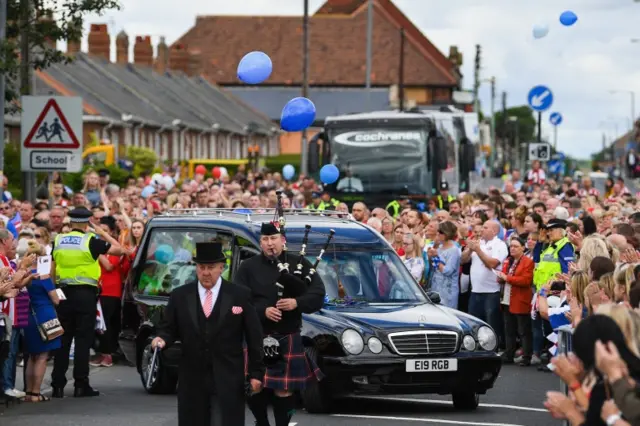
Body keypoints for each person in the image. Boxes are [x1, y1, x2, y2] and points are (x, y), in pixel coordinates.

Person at [152, 242, 264, 426]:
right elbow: (168, 328)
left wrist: (256, 373)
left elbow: (254, 337)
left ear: (222, 267)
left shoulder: (239, 295)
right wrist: (161, 338)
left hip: (228, 378)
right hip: (192, 378)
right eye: (201, 267)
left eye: (211, 267)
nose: (206, 272)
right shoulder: (180, 296)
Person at [235, 222, 326, 426]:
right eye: (265, 240)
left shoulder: (298, 264)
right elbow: (237, 300)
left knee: (284, 388)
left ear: (282, 241)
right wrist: (262, 311)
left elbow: (318, 294)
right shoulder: (248, 268)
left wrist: (297, 303)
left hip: (287, 334)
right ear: (260, 243)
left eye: (274, 239)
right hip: (256, 336)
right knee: (255, 385)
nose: (270, 244)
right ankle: (262, 422)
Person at [50, 206, 126, 398]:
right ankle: (80, 385)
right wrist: (100, 232)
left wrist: (55, 293)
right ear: (87, 222)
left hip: (63, 294)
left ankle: (57, 385)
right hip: (85, 296)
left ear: (70, 220)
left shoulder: (58, 240)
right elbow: (120, 250)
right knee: (83, 340)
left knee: (63, 340)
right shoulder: (91, 241)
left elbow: (52, 270)